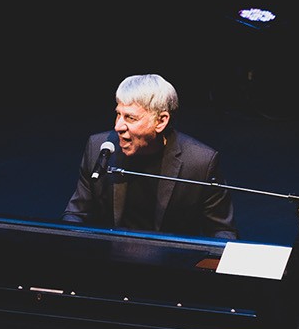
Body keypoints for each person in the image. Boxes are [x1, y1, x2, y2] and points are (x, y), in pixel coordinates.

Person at [61, 73, 238, 240]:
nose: (118, 126)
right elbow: (76, 214)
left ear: (161, 121)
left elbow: (222, 231)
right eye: (118, 114)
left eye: (130, 118)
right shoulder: (98, 147)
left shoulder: (201, 162)